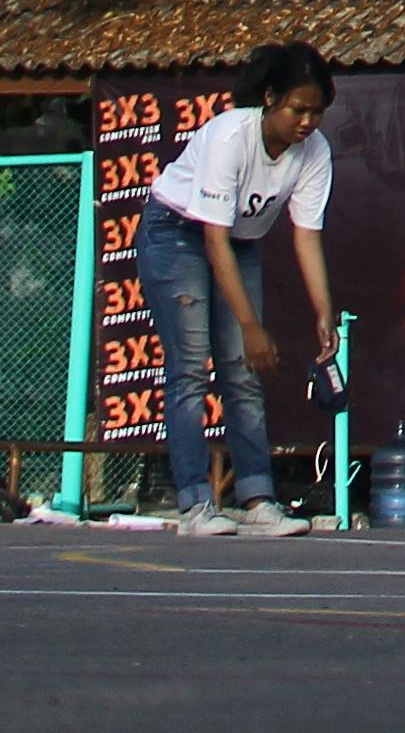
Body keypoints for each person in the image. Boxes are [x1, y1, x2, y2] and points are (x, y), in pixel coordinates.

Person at [146, 41, 344, 537]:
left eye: (317, 113)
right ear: (271, 99)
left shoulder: (315, 151)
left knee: (245, 373)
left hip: (237, 241)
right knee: (191, 367)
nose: (307, 123)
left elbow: (306, 233)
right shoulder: (230, 135)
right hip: (176, 232)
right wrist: (251, 326)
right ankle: (195, 504)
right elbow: (211, 236)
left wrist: (324, 311)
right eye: (298, 110)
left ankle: (258, 499)